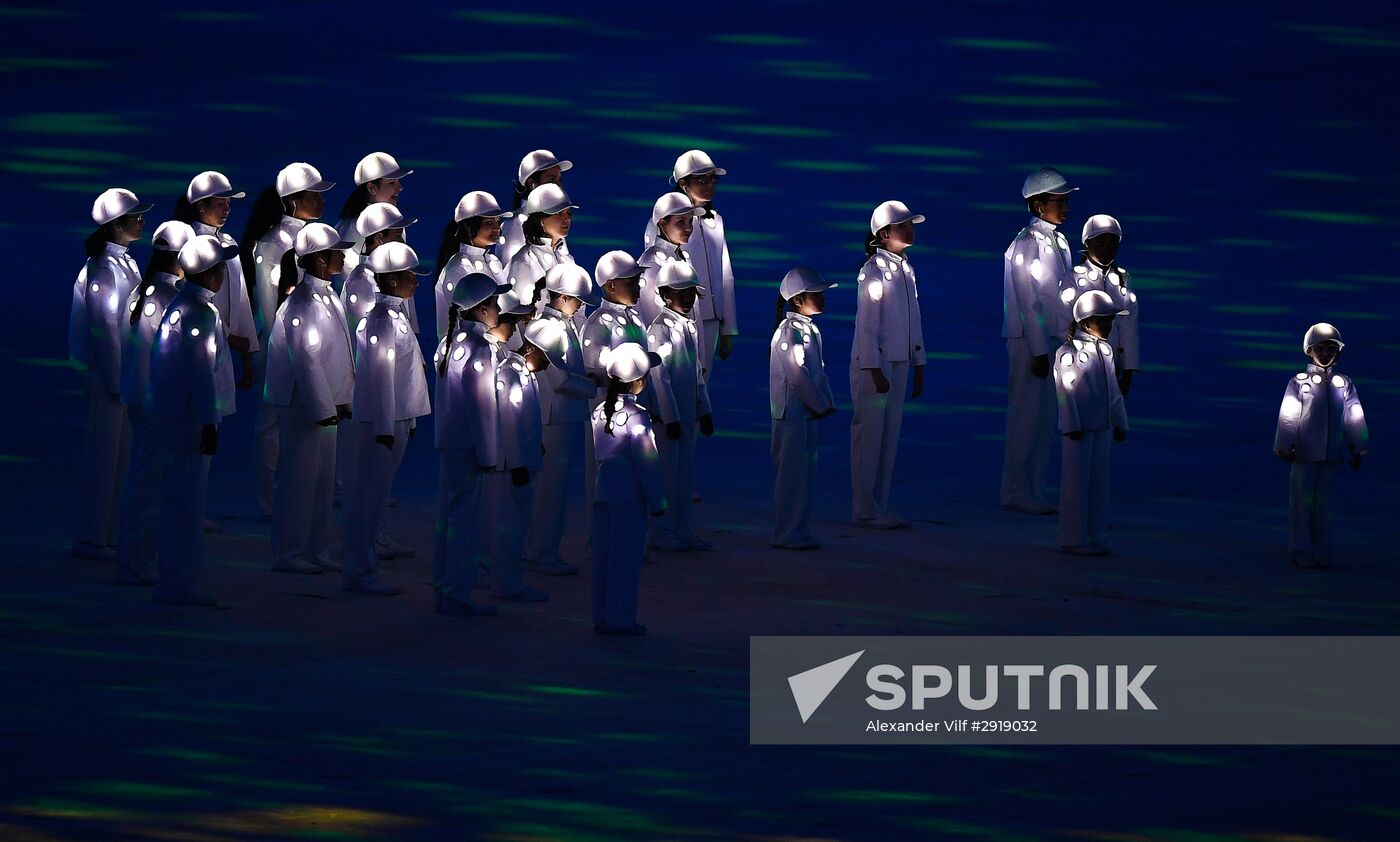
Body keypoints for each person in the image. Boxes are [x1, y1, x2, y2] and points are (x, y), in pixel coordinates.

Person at [146, 234, 239, 606]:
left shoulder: (185, 305)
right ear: (211, 273)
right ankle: (178, 584)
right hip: (190, 421)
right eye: (221, 267)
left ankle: (173, 579)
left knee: (177, 500)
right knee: (186, 503)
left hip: (177, 417)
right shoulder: (200, 311)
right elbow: (201, 371)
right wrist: (208, 420)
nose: (224, 274)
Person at [244, 162, 336, 520]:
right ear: (293, 199)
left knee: (305, 420)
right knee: (272, 423)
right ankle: (269, 500)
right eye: (314, 195)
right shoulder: (274, 243)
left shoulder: (312, 236)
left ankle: (302, 493)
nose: (321, 201)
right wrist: (282, 348)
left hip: (308, 344)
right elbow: (270, 305)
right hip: (279, 345)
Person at [264, 223, 355, 575]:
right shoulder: (302, 303)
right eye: (336, 251)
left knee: (321, 481)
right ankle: (289, 551)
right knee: (298, 479)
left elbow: (336, 354)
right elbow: (306, 357)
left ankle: (316, 548)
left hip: (326, 405)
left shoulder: (326, 294)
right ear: (319, 259)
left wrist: (340, 399)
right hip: (304, 404)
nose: (343, 256)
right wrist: (323, 408)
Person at [432, 272, 524, 615]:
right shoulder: (479, 347)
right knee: (465, 522)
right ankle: (457, 595)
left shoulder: (449, 342)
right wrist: (489, 453)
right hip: (471, 446)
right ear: (482, 310)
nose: (499, 309)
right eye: (494, 303)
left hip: (451, 441)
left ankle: (445, 587)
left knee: (449, 517)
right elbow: (482, 404)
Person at [343, 242, 431, 596]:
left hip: (396, 418)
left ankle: (363, 568)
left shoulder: (392, 315)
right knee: (368, 497)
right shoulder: (381, 320)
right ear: (393, 280)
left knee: (375, 496)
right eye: (410, 275)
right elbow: (381, 376)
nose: (416, 282)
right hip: (384, 422)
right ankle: (359, 571)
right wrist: (383, 428)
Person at [69, 188, 150, 560]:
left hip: (123, 374)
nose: (141, 221)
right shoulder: (102, 268)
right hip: (109, 376)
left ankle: (110, 532)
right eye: (135, 217)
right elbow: (105, 330)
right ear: (117, 224)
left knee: (120, 457)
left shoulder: (124, 263)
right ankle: (91, 537)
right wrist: (119, 381)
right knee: (103, 458)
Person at [114, 220, 194, 585]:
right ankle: (135, 561)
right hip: (155, 403)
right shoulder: (166, 298)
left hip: (142, 397)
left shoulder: (142, 292)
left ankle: (140, 556)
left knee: (144, 478)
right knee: (148, 483)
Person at [1002, 167, 1078, 515]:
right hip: (1029, 341)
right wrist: (1037, 349)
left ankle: (1033, 489)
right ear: (1037, 206)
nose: (1065, 207)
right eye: (1058, 201)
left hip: (1053, 340)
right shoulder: (1025, 244)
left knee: (1046, 418)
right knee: (1026, 415)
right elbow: (1027, 300)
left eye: (1065, 201)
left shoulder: (1059, 242)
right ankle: (1015, 490)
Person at [850, 200, 926, 529]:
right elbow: (867, 325)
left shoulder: (907, 269)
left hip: (900, 360)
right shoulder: (873, 271)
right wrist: (873, 368)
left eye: (910, 225)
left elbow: (914, 319)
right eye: (903, 225)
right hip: (877, 364)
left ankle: (879, 504)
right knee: (869, 434)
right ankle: (865, 507)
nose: (910, 230)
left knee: (889, 436)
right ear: (883, 234)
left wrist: (919, 361)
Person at [522, 264, 601, 575]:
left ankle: (544, 547)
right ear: (563, 297)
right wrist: (595, 385)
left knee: (554, 488)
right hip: (554, 416)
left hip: (561, 415)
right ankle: (540, 551)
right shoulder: (551, 329)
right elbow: (560, 379)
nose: (580, 306)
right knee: (550, 490)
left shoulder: (560, 325)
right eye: (577, 300)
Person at [1274, 323, 1370, 568]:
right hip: (1304, 454)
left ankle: (1322, 551)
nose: (1326, 354)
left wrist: (1358, 446)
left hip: (1330, 455)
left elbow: (1354, 415)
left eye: (1331, 349)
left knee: (1324, 506)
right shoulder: (1299, 382)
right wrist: (1284, 445)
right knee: (1301, 504)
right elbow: (1289, 414)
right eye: (1320, 349)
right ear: (1309, 351)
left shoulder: (1343, 384)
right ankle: (1300, 550)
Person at [591, 343, 667, 635]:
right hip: (628, 495)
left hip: (603, 490)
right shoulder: (637, 416)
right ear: (639, 381)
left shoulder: (600, 412)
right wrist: (658, 500)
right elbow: (647, 460)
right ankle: (621, 619)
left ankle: (602, 615)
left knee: (603, 557)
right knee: (625, 558)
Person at [1053, 290, 1129, 556]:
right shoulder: (1068, 352)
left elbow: (1113, 392)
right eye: (1104, 320)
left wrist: (1120, 422)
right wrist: (1071, 424)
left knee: (1098, 482)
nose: (1109, 325)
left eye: (1111, 320)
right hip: (1081, 427)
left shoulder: (1106, 351)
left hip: (1102, 425)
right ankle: (1073, 536)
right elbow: (1065, 391)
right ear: (1086, 322)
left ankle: (1096, 533)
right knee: (1076, 482)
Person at [645, 261, 715, 552]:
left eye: (691, 292)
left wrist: (705, 409)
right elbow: (659, 376)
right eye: (680, 292)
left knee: (684, 475)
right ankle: (661, 532)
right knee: (667, 475)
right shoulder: (659, 329)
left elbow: (696, 371)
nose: (687, 298)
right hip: (670, 419)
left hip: (688, 414)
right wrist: (669, 416)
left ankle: (683, 528)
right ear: (664, 294)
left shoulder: (689, 326)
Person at [769, 267, 838, 550]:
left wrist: (825, 403)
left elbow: (818, 372)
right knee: (792, 476)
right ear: (797, 300)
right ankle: (786, 532)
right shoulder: (789, 332)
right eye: (816, 294)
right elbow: (797, 375)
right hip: (792, 414)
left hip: (806, 413)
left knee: (805, 474)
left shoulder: (808, 329)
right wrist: (821, 404)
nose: (822, 298)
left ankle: (799, 528)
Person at [176, 171, 258, 381]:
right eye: (220, 204)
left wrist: (247, 356)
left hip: (230, 350)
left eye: (228, 203)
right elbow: (191, 300)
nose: (227, 209)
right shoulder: (187, 245)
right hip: (198, 343)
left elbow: (242, 299)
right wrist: (230, 338)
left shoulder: (229, 243)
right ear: (201, 206)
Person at [668, 150, 738, 376]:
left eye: (712, 179)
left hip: (712, 319)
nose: (710, 185)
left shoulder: (715, 221)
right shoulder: (664, 222)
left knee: (702, 383)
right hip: (682, 316)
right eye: (702, 180)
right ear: (683, 183)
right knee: (681, 378)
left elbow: (726, 275)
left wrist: (727, 328)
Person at [336, 151, 417, 332]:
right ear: (372, 188)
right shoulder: (354, 229)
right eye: (392, 183)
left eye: (398, 182)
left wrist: (410, 325)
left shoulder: (394, 223)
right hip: (370, 321)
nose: (400, 188)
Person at [1065, 214, 1140, 397]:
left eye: (1112, 243)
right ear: (1087, 243)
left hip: (1114, 367)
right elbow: (1064, 324)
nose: (1107, 249)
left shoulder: (1123, 279)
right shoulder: (1073, 278)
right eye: (1100, 242)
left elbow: (1129, 326)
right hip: (1080, 366)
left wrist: (1128, 369)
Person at [435, 190, 512, 342]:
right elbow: (467, 321)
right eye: (489, 223)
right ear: (468, 226)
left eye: (497, 221)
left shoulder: (493, 261)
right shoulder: (457, 268)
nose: (497, 228)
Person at [508, 183, 578, 313]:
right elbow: (522, 316)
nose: (567, 218)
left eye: (568, 212)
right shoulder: (525, 260)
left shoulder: (567, 259)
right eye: (559, 213)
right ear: (540, 219)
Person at [638, 191, 704, 327]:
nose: (688, 228)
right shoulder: (652, 260)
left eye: (690, 221)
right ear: (662, 222)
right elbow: (649, 312)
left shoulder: (683, 256)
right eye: (681, 222)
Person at [501, 149, 571, 265]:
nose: (558, 185)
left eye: (560, 180)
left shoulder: (555, 222)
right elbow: (513, 270)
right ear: (531, 183)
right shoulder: (514, 225)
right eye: (551, 179)